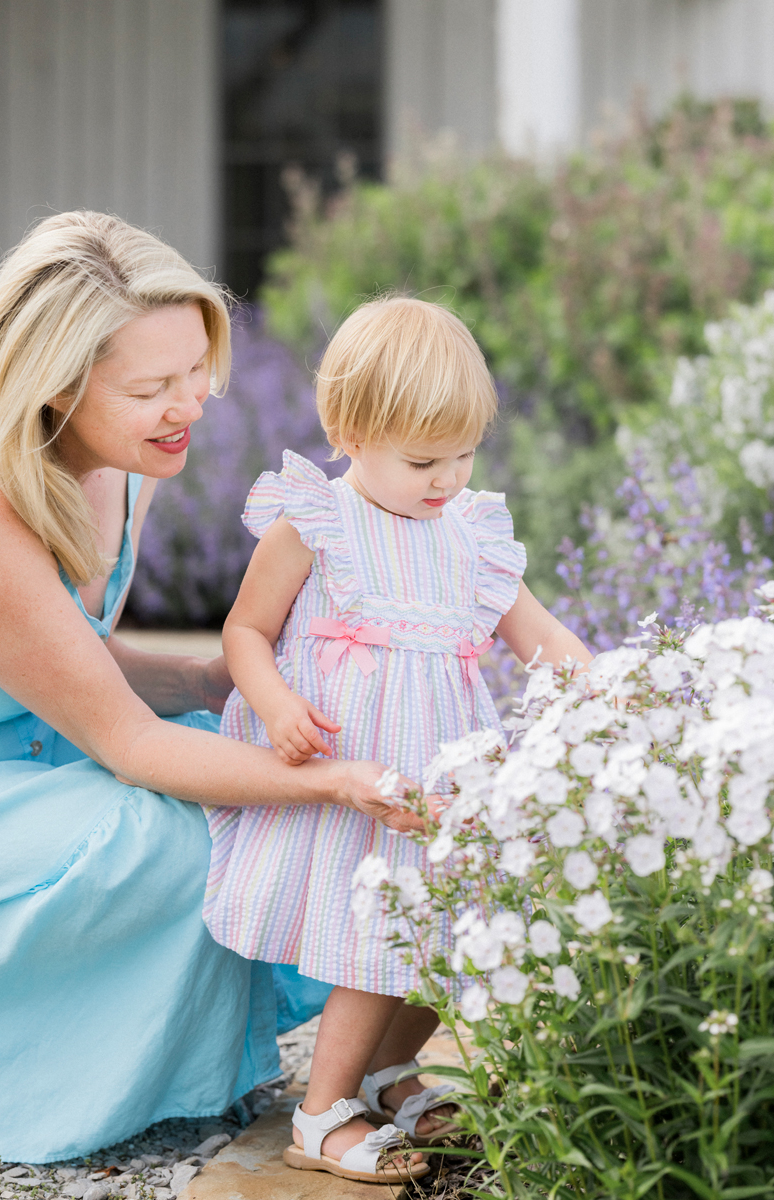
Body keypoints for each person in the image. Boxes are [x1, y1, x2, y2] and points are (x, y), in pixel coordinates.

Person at [0, 213, 427, 1165]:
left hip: (29, 759)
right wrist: (338, 781)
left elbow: (63, 657)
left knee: (242, 742)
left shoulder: (122, 462)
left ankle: (364, 1060)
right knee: (177, 831)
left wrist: (235, 680)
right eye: (150, 387)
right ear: (51, 384)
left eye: (195, 374)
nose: (191, 406)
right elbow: (125, 741)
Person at [202, 297, 595, 1184]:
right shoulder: (319, 522)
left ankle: (389, 1073)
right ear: (348, 430)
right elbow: (244, 633)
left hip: (439, 781)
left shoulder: (472, 537)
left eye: (463, 453)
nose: (447, 478)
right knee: (381, 935)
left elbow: (540, 638)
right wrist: (273, 706)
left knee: (450, 932)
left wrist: (605, 696)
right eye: (423, 459)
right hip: (353, 774)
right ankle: (320, 1112)